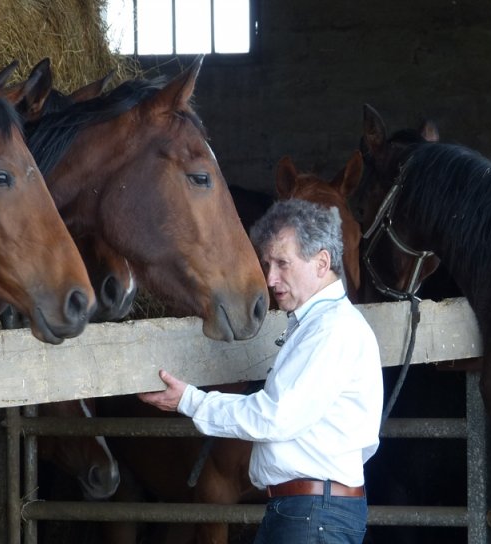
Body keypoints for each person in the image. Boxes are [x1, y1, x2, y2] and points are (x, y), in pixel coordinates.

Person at [138, 198, 383, 543]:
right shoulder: (320, 326)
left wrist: (190, 401)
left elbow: (275, 416)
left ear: (322, 262)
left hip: (313, 513)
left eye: (283, 263)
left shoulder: (330, 331)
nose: (270, 278)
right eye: (267, 264)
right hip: (308, 509)